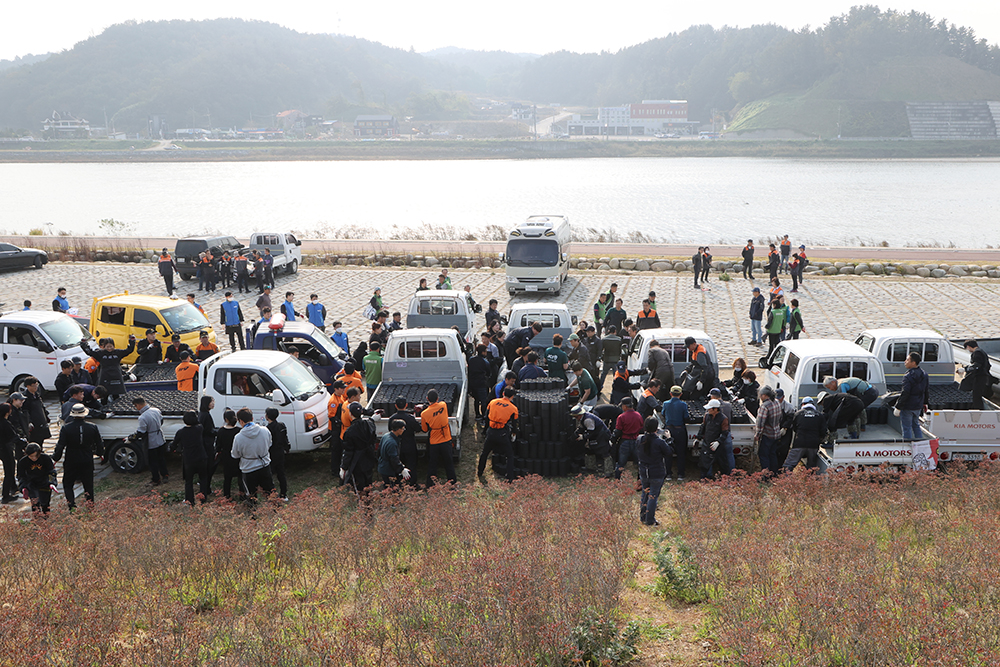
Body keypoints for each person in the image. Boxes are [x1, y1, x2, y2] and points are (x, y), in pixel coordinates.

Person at [232, 407, 273, 503]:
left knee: (251, 495)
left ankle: (253, 515)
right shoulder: (265, 430)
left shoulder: (239, 437)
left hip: (249, 468)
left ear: (240, 421)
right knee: (270, 493)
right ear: (252, 418)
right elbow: (269, 444)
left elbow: (235, 454)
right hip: (264, 465)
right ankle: (275, 514)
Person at [637, 416, 672, 526]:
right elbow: (669, 452)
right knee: (653, 496)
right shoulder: (659, 442)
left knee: (645, 494)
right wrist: (669, 439)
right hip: (656, 472)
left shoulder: (639, 439)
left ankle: (643, 517)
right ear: (656, 428)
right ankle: (650, 520)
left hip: (643, 471)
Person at [479, 387, 518, 483]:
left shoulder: (493, 402)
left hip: (491, 432)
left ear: (503, 393)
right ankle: (509, 478)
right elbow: (514, 425)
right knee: (509, 455)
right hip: (502, 433)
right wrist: (513, 434)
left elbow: (486, 417)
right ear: (512, 396)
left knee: (484, 453)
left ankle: (480, 472)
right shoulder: (513, 408)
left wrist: (486, 431)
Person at [340, 402, 377, 495]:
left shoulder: (349, 432)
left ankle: (363, 502)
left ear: (350, 414)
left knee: (359, 483)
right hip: (369, 456)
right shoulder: (369, 424)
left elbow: (348, 452)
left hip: (357, 461)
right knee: (368, 479)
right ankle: (369, 497)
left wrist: (343, 467)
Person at [421, 389, 456, 486]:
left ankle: (430, 485)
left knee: (433, 463)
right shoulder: (443, 405)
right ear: (438, 398)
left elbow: (424, 429)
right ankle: (452, 483)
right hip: (446, 438)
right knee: (448, 462)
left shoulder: (424, 414)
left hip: (434, 442)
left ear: (427, 398)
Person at [781, 397, 826, 471]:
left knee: (789, 464)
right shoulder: (819, 415)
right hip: (813, 444)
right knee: (811, 466)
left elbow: (794, 428)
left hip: (800, 442)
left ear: (803, 404)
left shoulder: (798, 414)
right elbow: (823, 431)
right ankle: (809, 481)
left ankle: (787, 480)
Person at [131, 396, 167, 485]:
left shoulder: (143, 417)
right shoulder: (156, 410)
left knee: (152, 461)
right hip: (160, 438)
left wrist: (131, 437)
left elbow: (141, 432)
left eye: (136, 406)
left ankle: (156, 479)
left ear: (138, 405)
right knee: (162, 458)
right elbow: (162, 420)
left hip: (151, 441)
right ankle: (165, 475)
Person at [174, 411, 208, 505]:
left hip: (189, 459)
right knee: (203, 478)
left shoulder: (181, 432)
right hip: (201, 457)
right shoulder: (200, 428)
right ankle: (203, 499)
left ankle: (190, 500)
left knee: (188, 481)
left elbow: (174, 444)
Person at [571, 403, 613, 477]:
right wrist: (575, 434)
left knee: (604, 452)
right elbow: (581, 428)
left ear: (580, 415)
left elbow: (591, 432)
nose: (576, 418)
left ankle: (608, 471)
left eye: (576, 417)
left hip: (601, 435)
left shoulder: (588, 420)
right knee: (589, 450)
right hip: (595, 434)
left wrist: (583, 437)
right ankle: (591, 467)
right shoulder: (582, 419)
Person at [896, 351, 929, 439]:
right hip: (918, 405)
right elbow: (926, 390)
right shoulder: (924, 374)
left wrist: (898, 406)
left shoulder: (908, 376)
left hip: (908, 406)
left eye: (907, 360)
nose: (905, 362)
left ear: (913, 362)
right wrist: (925, 403)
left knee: (906, 428)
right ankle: (919, 443)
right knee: (916, 425)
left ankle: (908, 447)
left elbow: (905, 392)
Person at [695, 398, 731, 478]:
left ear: (715, 409)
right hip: (707, 442)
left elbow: (725, 432)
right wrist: (698, 438)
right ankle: (704, 479)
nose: (708, 410)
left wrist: (718, 442)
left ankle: (724, 479)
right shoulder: (707, 416)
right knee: (703, 463)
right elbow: (703, 427)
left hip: (718, 445)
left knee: (722, 463)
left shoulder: (723, 418)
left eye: (709, 408)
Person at [261, 407, 291, 500]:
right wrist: (287, 447)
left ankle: (271, 494)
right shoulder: (281, 425)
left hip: (271, 453)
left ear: (267, 416)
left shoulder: (267, 429)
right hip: (280, 452)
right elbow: (285, 438)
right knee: (281, 474)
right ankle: (283, 494)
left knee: (269, 475)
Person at [17, 443, 55, 514]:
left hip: (44, 482)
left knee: (45, 503)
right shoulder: (23, 461)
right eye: (31, 456)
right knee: (35, 504)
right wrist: (23, 486)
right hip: (32, 484)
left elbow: (51, 472)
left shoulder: (46, 458)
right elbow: (21, 476)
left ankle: (46, 520)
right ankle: (37, 520)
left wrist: (51, 482)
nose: (34, 458)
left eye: (36, 456)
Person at [661, 385, 689, 480]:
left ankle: (668, 474)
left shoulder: (665, 404)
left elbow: (663, 414)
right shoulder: (683, 405)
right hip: (679, 430)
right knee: (681, 452)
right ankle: (681, 474)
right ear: (681, 394)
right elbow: (686, 417)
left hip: (668, 430)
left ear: (670, 394)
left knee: (667, 452)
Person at [613, 397, 644, 480]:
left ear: (625, 406)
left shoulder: (621, 417)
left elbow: (618, 431)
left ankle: (617, 480)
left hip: (625, 441)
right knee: (639, 463)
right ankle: (640, 480)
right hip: (636, 441)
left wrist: (613, 440)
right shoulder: (638, 415)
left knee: (621, 463)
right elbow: (642, 429)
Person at [213, 409, 241, 499]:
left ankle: (227, 496)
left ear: (225, 419)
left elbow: (218, 445)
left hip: (226, 456)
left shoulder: (221, 431)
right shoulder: (239, 430)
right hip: (238, 456)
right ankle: (242, 495)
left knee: (227, 478)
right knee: (240, 477)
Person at [1, 404, 25, 504]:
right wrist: (24, 443)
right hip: (5, 448)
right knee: (9, 471)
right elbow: (14, 437)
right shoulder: (5, 423)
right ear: (8, 412)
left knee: (9, 470)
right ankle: (5, 495)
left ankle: (13, 488)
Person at [755, 386, 782, 474]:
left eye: (761, 395)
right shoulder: (777, 402)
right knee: (772, 454)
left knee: (764, 455)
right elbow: (780, 418)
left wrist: (757, 435)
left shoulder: (765, 406)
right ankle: (773, 474)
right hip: (776, 433)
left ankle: (765, 476)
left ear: (765, 395)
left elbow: (760, 422)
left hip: (767, 435)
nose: (760, 397)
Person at [960, 339, 992, 410]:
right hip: (984, 377)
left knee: (976, 396)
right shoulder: (981, 351)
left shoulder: (977, 353)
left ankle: (978, 411)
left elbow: (976, 365)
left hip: (980, 377)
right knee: (977, 395)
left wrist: (965, 369)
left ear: (968, 346)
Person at [378, 420, 411, 488]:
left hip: (383, 466)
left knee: (387, 488)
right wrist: (401, 469)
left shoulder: (386, 436)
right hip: (389, 470)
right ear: (398, 429)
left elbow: (379, 451)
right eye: (402, 428)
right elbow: (394, 459)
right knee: (393, 489)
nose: (403, 430)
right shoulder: (392, 443)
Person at [468, 344, 493, 425]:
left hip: (473, 383)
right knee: (483, 401)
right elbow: (489, 373)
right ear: (483, 352)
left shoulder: (471, 359)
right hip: (482, 383)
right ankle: (484, 417)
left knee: (476, 399)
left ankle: (477, 415)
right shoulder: (485, 362)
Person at [22, 378, 51, 447]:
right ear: (28, 386)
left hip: (41, 421)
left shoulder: (37, 395)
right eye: (33, 385)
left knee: (41, 440)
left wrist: (46, 416)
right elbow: (25, 411)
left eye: (36, 385)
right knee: (35, 441)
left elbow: (41, 407)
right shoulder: (25, 398)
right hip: (34, 423)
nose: (36, 387)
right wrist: (29, 421)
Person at [599, 326, 623, 392]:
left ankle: (599, 388)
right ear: (615, 331)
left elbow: (601, 349)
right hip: (616, 360)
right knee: (616, 375)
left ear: (608, 331)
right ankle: (616, 389)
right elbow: (621, 350)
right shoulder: (619, 339)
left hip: (606, 360)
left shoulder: (604, 339)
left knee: (603, 374)